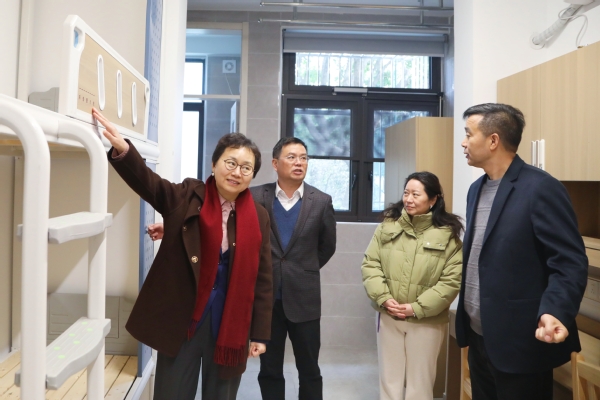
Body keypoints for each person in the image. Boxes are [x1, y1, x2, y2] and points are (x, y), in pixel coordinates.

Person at [92, 108, 273, 400]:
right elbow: (151, 185)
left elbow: (263, 279)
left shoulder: (259, 216)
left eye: (246, 168)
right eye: (230, 162)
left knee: (222, 395)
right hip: (184, 319)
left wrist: (260, 334)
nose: (236, 172)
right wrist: (124, 150)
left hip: (229, 324)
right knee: (172, 393)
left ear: (252, 175)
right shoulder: (188, 196)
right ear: (214, 164)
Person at [456, 103, 588, 400]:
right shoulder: (476, 189)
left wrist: (555, 310)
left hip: (520, 343)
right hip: (478, 336)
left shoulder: (541, 188)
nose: (463, 143)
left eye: (468, 134)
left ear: (493, 140)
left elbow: (569, 262)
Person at [361, 171, 463, 400]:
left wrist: (416, 308)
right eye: (406, 193)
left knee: (420, 383)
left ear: (433, 199)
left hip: (426, 321)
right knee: (389, 380)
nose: (409, 199)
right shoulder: (388, 226)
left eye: (416, 194)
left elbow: (451, 281)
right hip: (388, 315)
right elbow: (370, 264)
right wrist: (384, 298)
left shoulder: (448, 234)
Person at [250, 137, 336, 400]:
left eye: (304, 158)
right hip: (267, 300)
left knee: (309, 369)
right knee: (269, 369)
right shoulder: (255, 196)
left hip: (305, 298)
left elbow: (327, 247)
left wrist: (303, 269)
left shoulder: (321, 201)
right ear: (275, 164)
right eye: (291, 157)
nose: (299, 163)